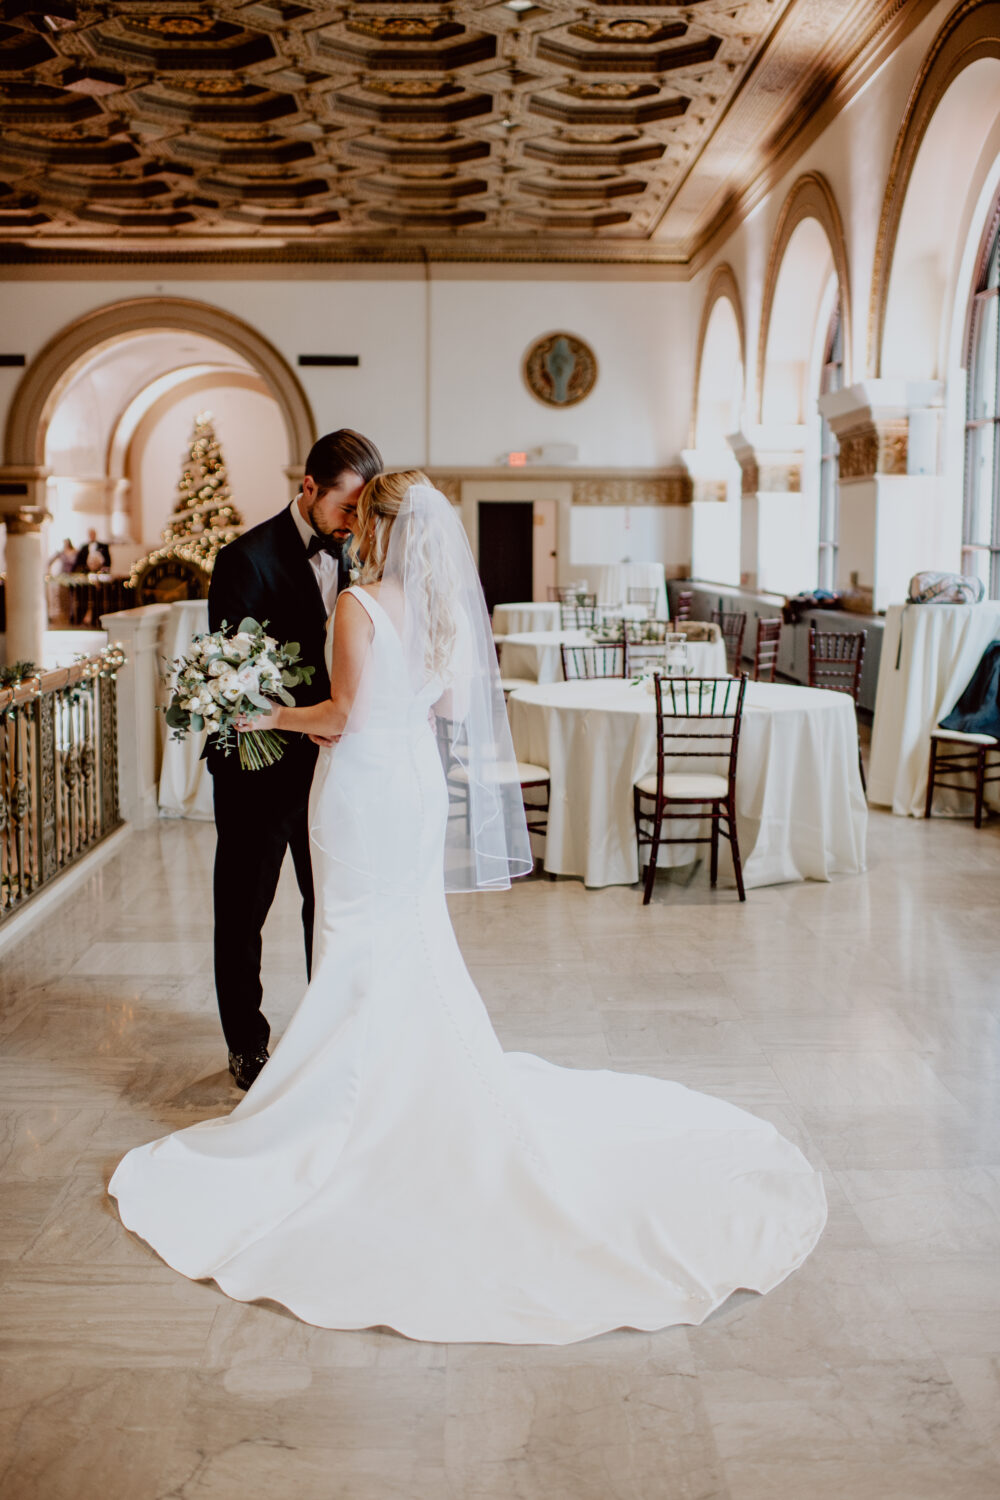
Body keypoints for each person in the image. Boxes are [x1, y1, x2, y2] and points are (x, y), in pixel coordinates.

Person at [109, 472, 827, 1347]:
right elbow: (448, 703)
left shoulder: (359, 606)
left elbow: (338, 716)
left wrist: (266, 708)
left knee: (353, 938)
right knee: (406, 934)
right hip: (414, 786)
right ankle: (402, 1075)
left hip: (361, 789)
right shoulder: (443, 604)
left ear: (373, 526)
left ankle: (352, 1098)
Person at [205, 428, 383, 1091]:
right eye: (346, 508)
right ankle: (246, 1044)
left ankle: (325, 1032)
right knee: (243, 911)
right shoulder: (243, 559)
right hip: (258, 767)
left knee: (328, 905)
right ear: (308, 488)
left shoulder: (363, 558)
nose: (353, 525)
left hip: (333, 771)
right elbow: (232, 670)